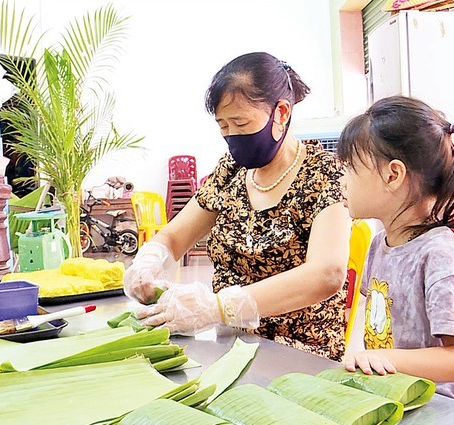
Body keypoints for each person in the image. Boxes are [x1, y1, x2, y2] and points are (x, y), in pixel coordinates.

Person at [125, 52, 351, 361]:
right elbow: (174, 237)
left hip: (300, 353)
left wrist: (218, 307)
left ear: (281, 113)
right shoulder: (231, 171)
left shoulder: (325, 174)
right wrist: (148, 263)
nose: (232, 136)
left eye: (241, 122)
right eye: (223, 126)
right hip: (230, 347)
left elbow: (327, 274)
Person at [337, 95, 454, 411]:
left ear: (393, 175)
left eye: (351, 169)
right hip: (403, 401)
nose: (342, 182)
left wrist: (386, 358)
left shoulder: (440, 254)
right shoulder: (379, 244)